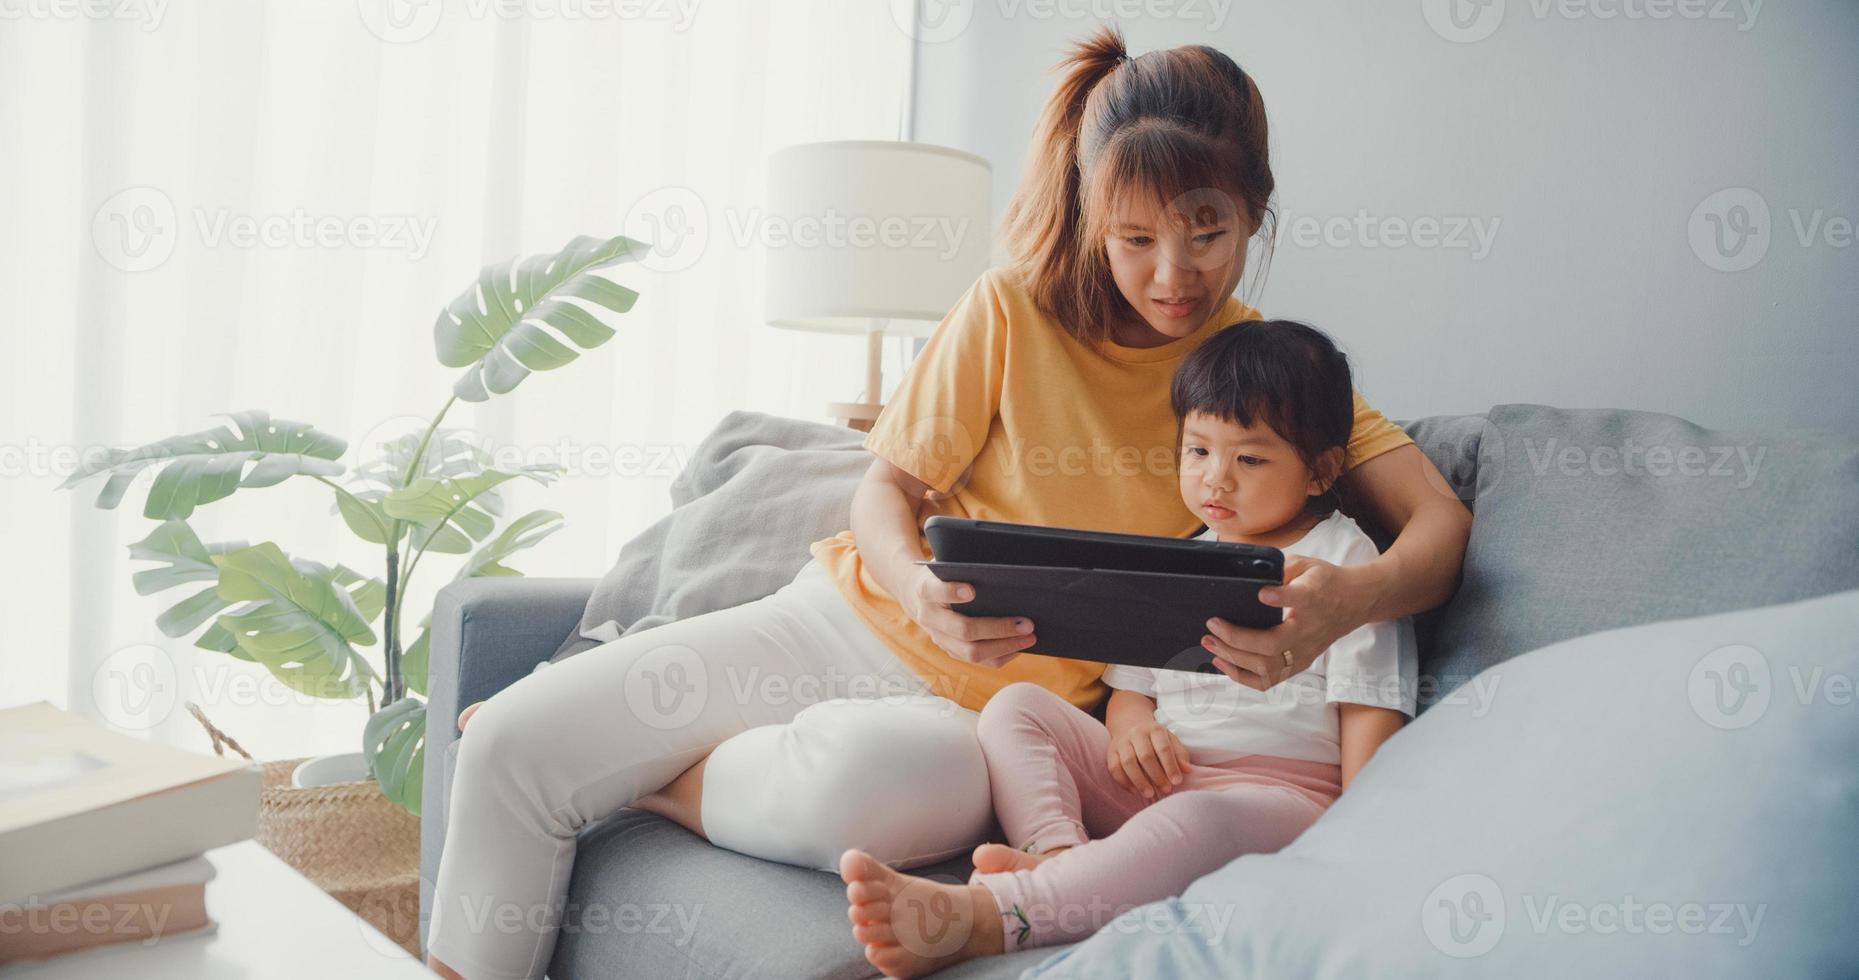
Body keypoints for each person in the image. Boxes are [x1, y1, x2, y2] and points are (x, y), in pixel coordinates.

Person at [426, 24, 1469, 980]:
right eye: (1133, 237)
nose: (1172, 273)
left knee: (849, 795)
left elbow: (1436, 527)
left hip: (983, 723)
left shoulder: (1255, 379)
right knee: (509, 743)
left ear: (1252, 213)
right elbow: (887, 487)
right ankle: (606, 750)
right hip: (836, 621)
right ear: (1091, 214)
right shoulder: (1009, 307)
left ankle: (653, 777)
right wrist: (916, 587)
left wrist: (1347, 600)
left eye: (1206, 231)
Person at [839, 320, 1416, 976]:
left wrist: (1354, 850)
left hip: (1281, 799)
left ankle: (994, 915)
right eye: (1196, 451)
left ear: (1320, 471)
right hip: (1162, 780)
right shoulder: (1181, 556)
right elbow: (1130, 692)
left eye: (1248, 459)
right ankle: (1058, 860)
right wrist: (1132, 731)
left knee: (1196, 820)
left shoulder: (1344, 566)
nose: (1214, 481)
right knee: (1015, 708)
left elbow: (1370, 714)